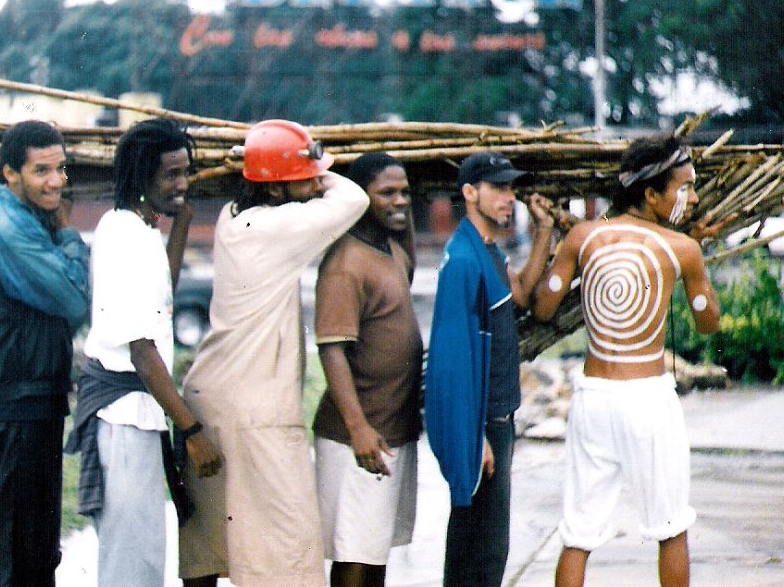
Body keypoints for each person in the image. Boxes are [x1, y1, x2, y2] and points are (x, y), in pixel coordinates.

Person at [178, 119, 369, 587]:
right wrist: (318, 171)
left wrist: (291, 165)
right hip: (257, 408)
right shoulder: (281, 227)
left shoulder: (230, 219)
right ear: (281, 186)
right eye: (304, 177)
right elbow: (355, 199)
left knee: (210, 544)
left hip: (209, 395)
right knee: (287, 550)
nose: (312, 182)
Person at [531, 134, 728, 587]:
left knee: (578, 531)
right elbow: (708, 324)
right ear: (651, 194)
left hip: (593, 398)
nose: (693, 197)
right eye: (684, 188)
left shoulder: (583, 237)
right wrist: (696, 265)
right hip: (648, 400)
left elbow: (543, 307)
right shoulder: (681, 250)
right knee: (671, 525)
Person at [64, 118, 222, 587]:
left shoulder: (140, 229)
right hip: (123, 413)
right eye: (170, 175)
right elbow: (142, 351)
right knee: (131, 563)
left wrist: (181, 227)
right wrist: (190, 430)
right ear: (140, 176)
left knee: (145, 553)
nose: (181, 184)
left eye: (185, 172)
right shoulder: (122, 236)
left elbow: (161, 302)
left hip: (137, 414)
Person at [0, 120, 90, 586]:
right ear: (10, 174)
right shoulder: (8, 224)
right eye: (41, 171)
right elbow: (74, 299)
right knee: (5, 557)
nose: (55, 180)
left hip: (27, 406)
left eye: (60, 169)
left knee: (32, 550)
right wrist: (69, 233)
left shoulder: (19, 216)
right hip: (10, 411)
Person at [424, 151, 557, 587]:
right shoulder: (462, 262)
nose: (509, 198)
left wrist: (545, 232)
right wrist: (473, 434)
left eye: (511, 188)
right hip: (482, 426)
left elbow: (519, 294)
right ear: (469, 193)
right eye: (498, 188)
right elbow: (451, 362)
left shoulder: (485, 250)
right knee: (480, 552)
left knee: (482, 545)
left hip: (496, 421)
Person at [312, 153, 423, 587]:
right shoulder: (345, 263)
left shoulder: (391, 249)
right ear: (360, 198)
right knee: (354, 556)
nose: (400, 202)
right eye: (387, 193)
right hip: (357, 437)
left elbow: (408, 260)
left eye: (406, 193)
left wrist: (400, 212)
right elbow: (332, 349)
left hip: (393, 432)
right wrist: (358, 429)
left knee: (374, 552)